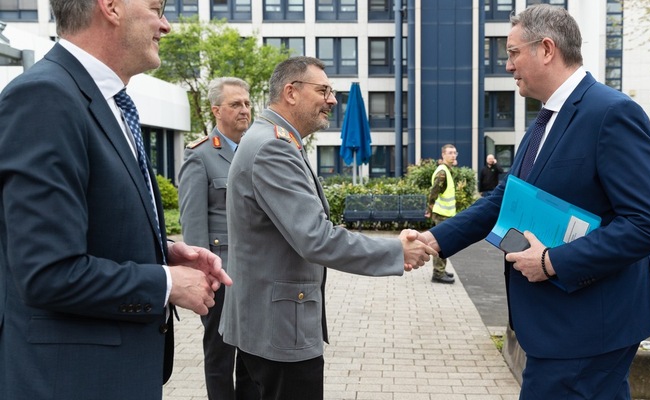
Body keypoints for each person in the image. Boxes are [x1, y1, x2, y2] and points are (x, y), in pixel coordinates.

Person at [419, 5, 650, 399]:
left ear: (547, 49)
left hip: (589, 328)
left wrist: (551, 262)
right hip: (560, 328)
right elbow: (506, 198)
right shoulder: (545, 120)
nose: (508, 65)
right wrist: (434, 241)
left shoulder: (611, 112)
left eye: (513, 52)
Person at [0, 0, 232, 399]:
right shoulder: (45, 97)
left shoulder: (104, 101)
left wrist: (166, 251)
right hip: (70, 382)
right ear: (110, 7)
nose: (166, 26)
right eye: (157, 8)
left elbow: (93, 222)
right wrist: (165, 283)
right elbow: (47, 272)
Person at [218, 56, 435, 400]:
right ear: (291, 92)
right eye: (323, 90)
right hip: (279, 332)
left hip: (263, 325)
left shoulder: (271, 137)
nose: (332, 99)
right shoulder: (274, 145)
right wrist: (396, 250)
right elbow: (316, 238)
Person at [178, 77, 258, 400]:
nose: (244, 110)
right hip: (220, 274)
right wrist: (203, 275)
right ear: (216, 111)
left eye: (247, 103)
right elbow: (192, 222)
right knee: (220, 355)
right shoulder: (198, 155)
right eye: (236, 104)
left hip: (255, 272)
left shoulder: (257, 149)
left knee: (254, 355)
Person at [424, 144, 458, 284]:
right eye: (450, 153)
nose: (453, 155)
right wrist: (429, 209)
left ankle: (441, 270)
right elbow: (434, 191)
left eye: (455, 153)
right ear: (443, 154)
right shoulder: (442, 172)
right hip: (441, 213)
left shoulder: (447, 170)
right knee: (440, 243)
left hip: (446, 213)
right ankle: (438, 273)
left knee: (444, 243)